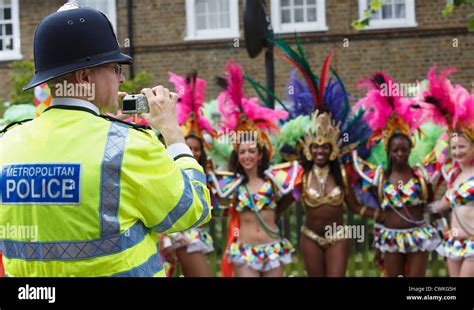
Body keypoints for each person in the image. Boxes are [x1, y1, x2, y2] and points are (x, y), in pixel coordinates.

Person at [0, 5, 211, 277]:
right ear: (85, 77)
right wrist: (171, 130)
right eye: (114, 68)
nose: (121, 78)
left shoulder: (6, 144)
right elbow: (192, 209)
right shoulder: (127, 145)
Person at [272, 38, 380, 277]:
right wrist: (265, 217)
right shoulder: (301, 176)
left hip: (338, 236)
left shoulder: (341, 173)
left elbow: (354, 206)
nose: (320, 152)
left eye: (325, 148)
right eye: (316, 148)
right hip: (309, 237)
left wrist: (382, 216)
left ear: (332, 150)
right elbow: (284, 203)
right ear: (309, 150)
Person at [210, 61, 297, 277]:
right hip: (244, 252)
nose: (247, 156)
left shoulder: (275, 180)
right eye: (242, 152)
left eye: (251, 151)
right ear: (237, 157)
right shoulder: (230, 184)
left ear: (260, 155)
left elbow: (293, 194)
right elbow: (218, 207)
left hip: (273, 249)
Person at [353, 72, 441, 277]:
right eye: (395, 150)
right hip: (391, 237)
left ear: (410, 149)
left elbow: (431, 204)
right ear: (388, 152)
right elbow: (381, 216)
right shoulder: (380, 178)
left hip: (419, 235)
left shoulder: (421, 175)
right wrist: (377, 248)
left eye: (403, 149)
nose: (400, 154)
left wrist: (442, 230)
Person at [160, 71, 215, 277]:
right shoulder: (168, 169)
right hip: (174, 234)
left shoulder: (212, 176)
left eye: (197, 149)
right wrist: (167, 238)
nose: (193, 152)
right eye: (188, 147)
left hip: (195, 235)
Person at [421, 66, 474, 277]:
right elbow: (442, 205)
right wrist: (420, 205)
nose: (457, 152)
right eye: (454, 148)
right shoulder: (454, 175)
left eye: (462, 147)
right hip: (453, 243)